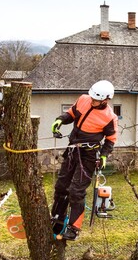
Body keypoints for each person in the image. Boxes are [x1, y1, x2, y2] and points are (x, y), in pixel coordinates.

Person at [50, 80, 118, 241]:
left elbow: (111, 139)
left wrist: (103, 155)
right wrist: (60, 120)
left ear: (106, 100)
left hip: (88, 155)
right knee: (61, 186)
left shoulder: (109, 117)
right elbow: (72, 114)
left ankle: (74, 229)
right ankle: (56, 216)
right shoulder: (83, 99)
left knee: (76, 191)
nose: (92, 101)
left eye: (96, 100)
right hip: (73, 149)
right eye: (92, 98)